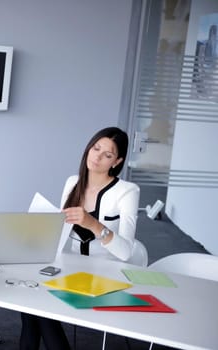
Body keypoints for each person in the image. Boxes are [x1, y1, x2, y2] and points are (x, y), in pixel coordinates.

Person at [19, 127, 140, 350]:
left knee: (38, 308)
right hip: (73, 269)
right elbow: (60, 231)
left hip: (107, 275)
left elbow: (125, 251)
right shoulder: (73, 182)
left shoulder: (128, 191)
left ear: (117, 161)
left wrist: (93, 224)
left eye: (108, 154)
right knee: (29, 295)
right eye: (96, 148)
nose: (98, 156)